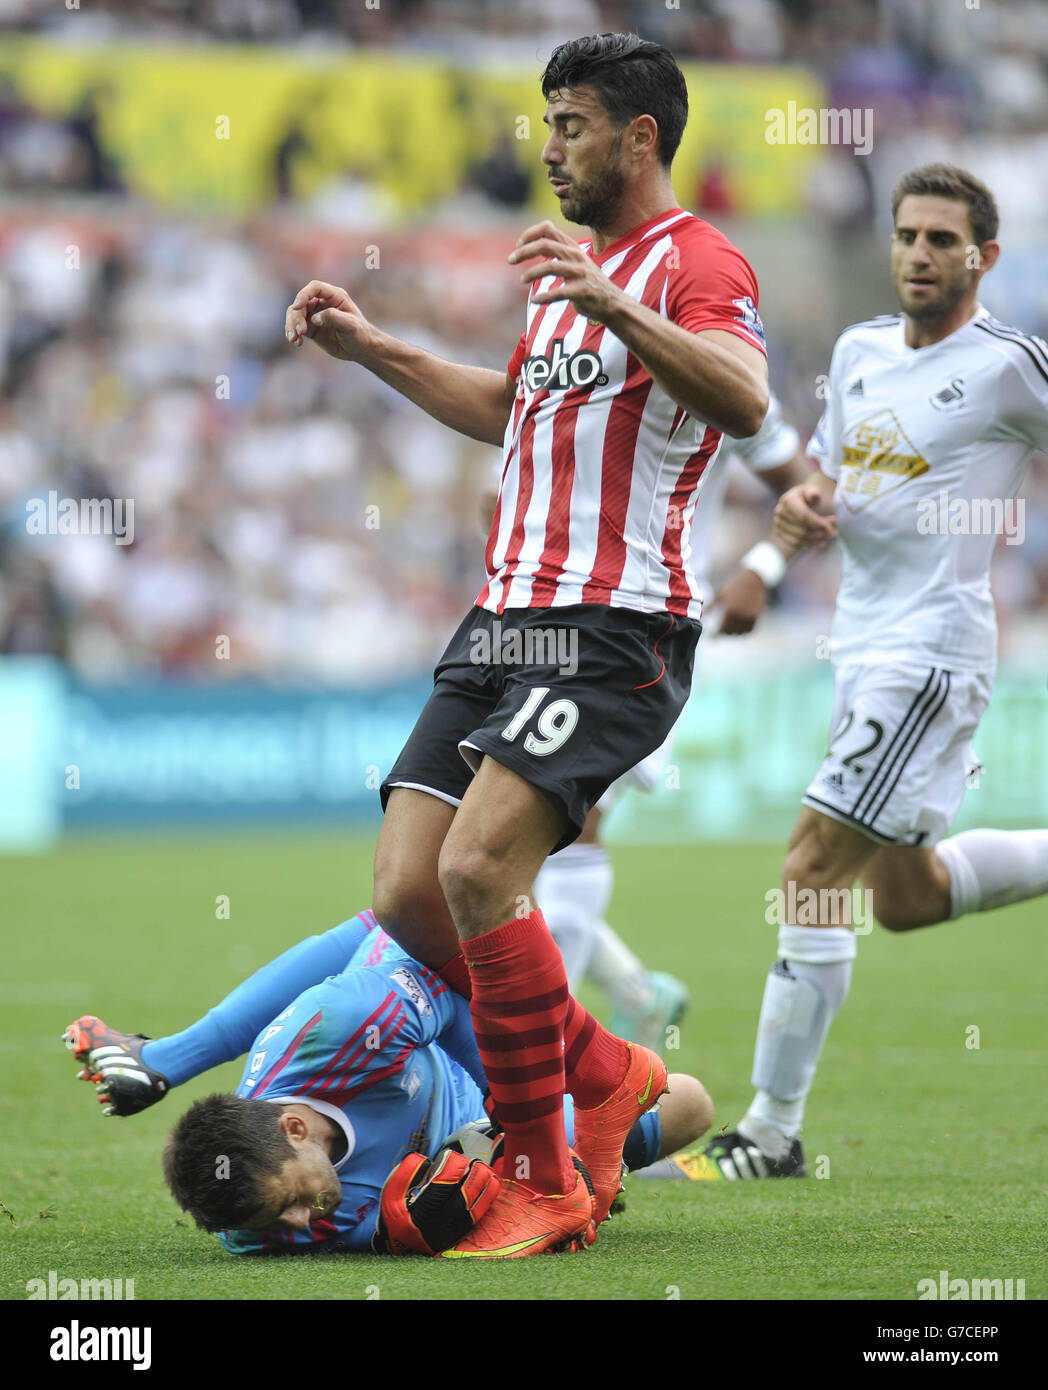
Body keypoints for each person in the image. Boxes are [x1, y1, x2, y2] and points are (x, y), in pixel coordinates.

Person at [284, 33, 768, 1254]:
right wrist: (373, 348)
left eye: (569, 123)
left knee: (478, 872)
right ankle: (602, 1072)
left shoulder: (695, 259)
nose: (548, 148)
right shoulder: (568, 280)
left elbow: (745, 396)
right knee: (406, 892)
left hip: (611, 625)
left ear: (638, 136)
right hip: (499, 620)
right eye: (546, 123)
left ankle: (544, 1170)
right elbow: (512, 412)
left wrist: (612, 297)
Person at [700, 163, 1048, 1181]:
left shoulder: (1007, 366)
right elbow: (829, 486)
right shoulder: (855, 353)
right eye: (906, 236)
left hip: (931, 655)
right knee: (902, 893)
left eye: (942, 240)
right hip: (858, 646)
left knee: (809, 872)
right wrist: (769, 555)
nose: (918, 254)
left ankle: (770, 1133)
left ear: (982, 257)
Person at [63, 911, 713, 1253]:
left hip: (435, 1013)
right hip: (442, 1116)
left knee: (414, 911)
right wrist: (415, 1229)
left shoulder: (339, 1030)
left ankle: (169, 1058)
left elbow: (463, 1002)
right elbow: (389, 1225)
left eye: (290, 1201)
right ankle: (162, 1060)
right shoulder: (253, 1221)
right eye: (278, 1220)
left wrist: (517, 1127)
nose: (297, 1222)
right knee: (689, 1107)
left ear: (294, 1128)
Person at [530, 393, 809, 1049]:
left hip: (636, 628)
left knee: (570, 828)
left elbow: (805, 487)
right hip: (528, 620)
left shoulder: (707, 364)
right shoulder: (559, 361)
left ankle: (543, 1066)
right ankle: (631, 995)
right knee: (481, 849)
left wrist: (762, 569)